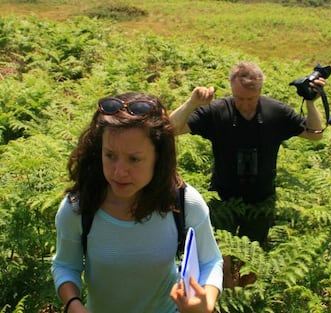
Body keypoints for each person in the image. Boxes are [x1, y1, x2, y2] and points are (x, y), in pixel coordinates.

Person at [51, 92, 223, 313]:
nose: (119, 172)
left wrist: (205, 304)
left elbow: (211, 261)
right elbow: (65, 265)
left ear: (158, 157)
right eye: (110, 155)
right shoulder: (79, 207)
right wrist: (73, 304)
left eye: (134, 159)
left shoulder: (184, 202)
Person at [169, 61, 326, 287]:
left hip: (261, 200)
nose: (244, 104)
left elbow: (314, 134)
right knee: (220, 258)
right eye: (239, 98)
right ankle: (224, 296)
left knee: (251, 262)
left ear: (260, 91)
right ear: (232, 91)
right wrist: (192, 103)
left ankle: (246, 298)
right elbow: (171, 129)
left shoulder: (275, 112)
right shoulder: (218, 111)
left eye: (250, 99)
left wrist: (310, 102)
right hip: (223, 200)